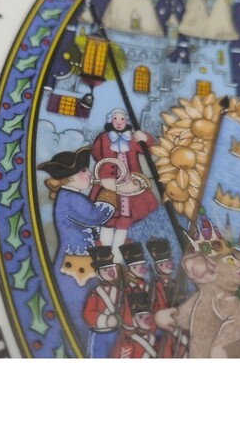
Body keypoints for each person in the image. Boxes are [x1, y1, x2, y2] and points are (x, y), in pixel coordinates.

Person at [38, 146, 115, 348]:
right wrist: (109, 193)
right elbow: (95, 216)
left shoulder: (70, 196)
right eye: (83, 170)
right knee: (81, 312)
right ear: (69, 178)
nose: (89, 174)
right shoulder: (70, 198)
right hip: (75, 268)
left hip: (81, 264)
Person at [89, 108, 159, 260]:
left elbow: (148, 150)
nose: (119, 122)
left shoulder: (131, 138)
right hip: (110, 184)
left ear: (126, 121)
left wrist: (145, 137)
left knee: (125, 219)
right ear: (110, 120)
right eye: (115, 118)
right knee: (108, 218)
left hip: (130, 186)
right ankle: (104, 256)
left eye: (122, 119)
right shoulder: (103, 138)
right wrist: (106, 175)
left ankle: (117, 257)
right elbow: (96, 153)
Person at [82, 246, 123, 358]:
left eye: (111, 268)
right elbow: (88, 314)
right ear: (98, 273)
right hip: (99, 334)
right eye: (105, 270)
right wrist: (106, 320)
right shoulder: (95, 293)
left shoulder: (119, 292)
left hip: (116, 333)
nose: (110, 272)